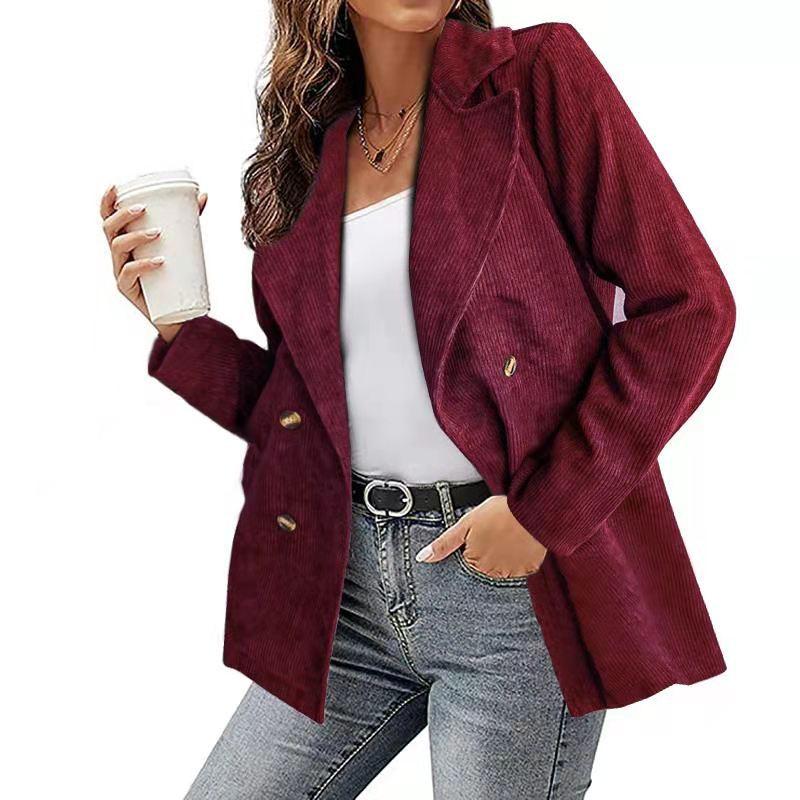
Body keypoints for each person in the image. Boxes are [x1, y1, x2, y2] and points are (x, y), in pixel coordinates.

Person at [99, 1, 736, 797]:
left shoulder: (536, 79)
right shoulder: (311, 157)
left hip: (508, 597)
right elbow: (302, 422)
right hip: (349, 591)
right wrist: (181, 330)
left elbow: (691, 308)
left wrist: (544, 512)